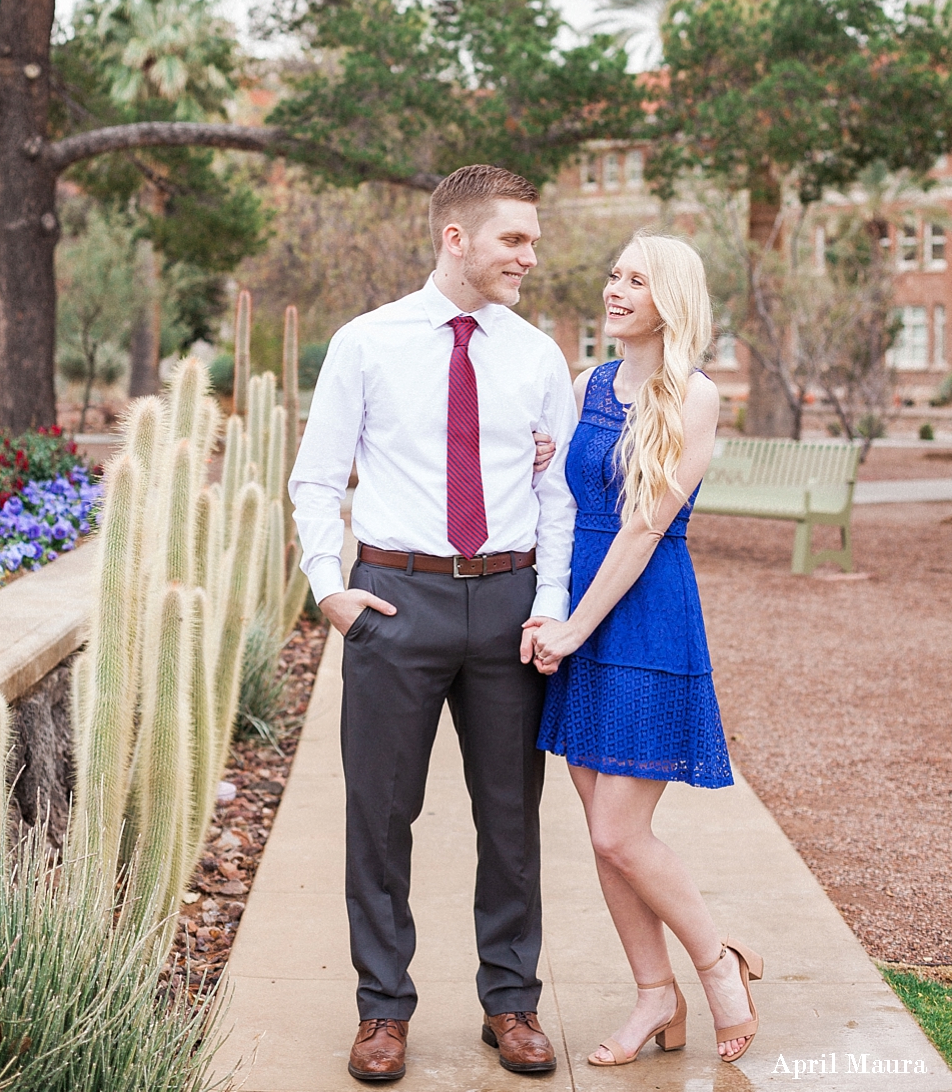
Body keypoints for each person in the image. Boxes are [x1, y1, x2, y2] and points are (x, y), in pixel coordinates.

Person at [289, 164, 577, 1083]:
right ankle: (382, 1010)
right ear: (456, 238)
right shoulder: (365, 343)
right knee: (379, 814)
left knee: (511, 815)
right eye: (514, 240)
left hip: (505, 603)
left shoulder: (535, 355)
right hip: (394, 600)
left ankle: (512, 999)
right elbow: (316, 476)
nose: (529, 256)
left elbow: (557, 492)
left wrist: (547, 604)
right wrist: (329, 587)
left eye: (531, 240)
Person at [527, 231, 763, 1068]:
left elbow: (642, 527)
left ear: (670, 298)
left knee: (623, 831)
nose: (615, 289)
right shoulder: (585, 381)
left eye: (636, 279)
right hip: (576, 615)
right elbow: (556, 491)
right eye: (614, 274)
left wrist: (573, 626)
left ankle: (715, 967)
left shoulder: (692, 396)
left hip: (643, 619)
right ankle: (653, 996)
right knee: (600, 830)